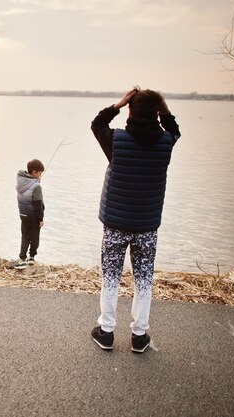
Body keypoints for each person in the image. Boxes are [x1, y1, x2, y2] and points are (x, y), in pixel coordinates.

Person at [89, 87, 181, 353]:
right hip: (147, 228)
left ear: (130, 110)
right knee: (143, 279)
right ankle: (139, 337)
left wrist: (119, 104)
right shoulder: (166, 143)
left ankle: (106, 332)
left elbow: (97, 124)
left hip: (115, 226)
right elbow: (174, 129)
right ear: (157, 113)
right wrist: (162, 106)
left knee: (110, 277)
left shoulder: (116, 141)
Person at [14, 159, 45, 269]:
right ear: (34, 172)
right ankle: (31, 257)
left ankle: (22, 259)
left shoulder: (21, 182)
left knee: (25, 236)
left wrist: (35, 182)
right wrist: (40, 219)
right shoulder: (36, 187)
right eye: (40, 173)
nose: (41, 175)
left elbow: (28, 188)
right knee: (34, 237)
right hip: (34, 217)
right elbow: (37, 204)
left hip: (23, 215)